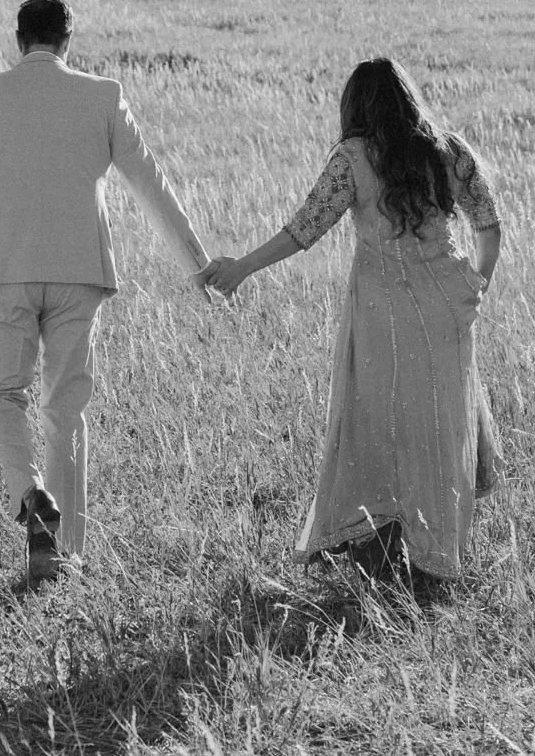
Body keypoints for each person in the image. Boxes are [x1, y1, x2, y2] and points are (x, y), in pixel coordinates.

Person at [0, 0, 214, 586]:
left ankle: (31, 499)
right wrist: (197, 264)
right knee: (66, 409)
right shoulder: (103, 96)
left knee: (1, 396)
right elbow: (150, 181)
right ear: (68, 39)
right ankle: (64, 556)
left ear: (18, 38)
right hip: (81, 273)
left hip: (3, 271)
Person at [198, 56, 504, 593]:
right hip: (447, 305)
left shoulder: (353, 157)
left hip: (383, 313)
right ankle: (437, 557)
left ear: (355, 107)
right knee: (439, 426)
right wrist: (476, 284)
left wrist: (242, 266)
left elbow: (304, 228)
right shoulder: (450, 150)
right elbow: (489, 222)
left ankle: (377, 547)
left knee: (374, 423)